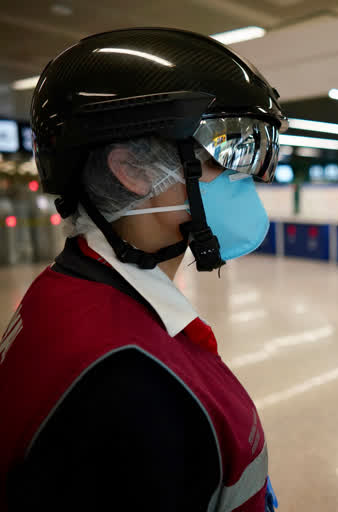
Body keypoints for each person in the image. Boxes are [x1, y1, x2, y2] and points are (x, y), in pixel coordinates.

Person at [0, 28, 287, 511]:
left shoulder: (71, 292)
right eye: (224, 158)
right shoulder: (130, 381)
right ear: (132, 168)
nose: (247, 179)